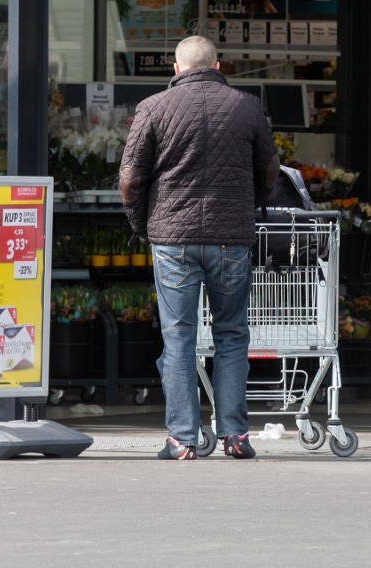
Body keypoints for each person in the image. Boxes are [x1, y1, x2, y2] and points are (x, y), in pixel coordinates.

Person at [119, 35, 279, 460]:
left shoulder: (152, 108)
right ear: (218, 65)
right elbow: (270, 168)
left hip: (173, 240)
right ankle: (236, 436)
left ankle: (182, 439)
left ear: (175, 68)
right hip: (231, 239)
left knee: (178, 338)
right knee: (231, 334)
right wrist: (251, 208)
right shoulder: (247, 106)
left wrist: (143, 225)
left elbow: (130, 180)